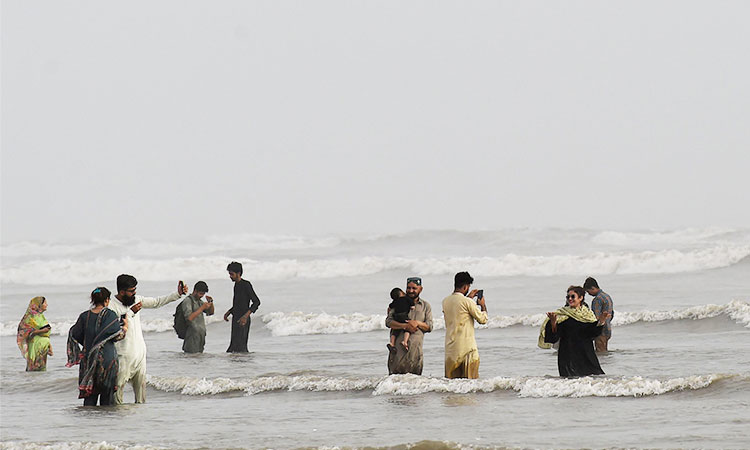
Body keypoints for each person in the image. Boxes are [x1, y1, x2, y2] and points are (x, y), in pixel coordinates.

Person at [108, 274, 187, 404]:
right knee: (117, 395)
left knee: (141, 396)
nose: (134, 293)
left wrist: (177, 294)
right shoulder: (111, 306)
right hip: (122, 357)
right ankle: (117, 422)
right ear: (122, 292)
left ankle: (141, 422)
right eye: (131, 291)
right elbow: (115, 326)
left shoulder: (137, 300)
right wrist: (131, 312)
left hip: (139, 355)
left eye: (135, 290)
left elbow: (157, 302)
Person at [66, 287, 128, 406]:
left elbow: (75, 334)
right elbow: (116, 336)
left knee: (90, 397)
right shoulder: (110, 315)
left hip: (89, 360)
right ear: (106, 300)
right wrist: (125, 328)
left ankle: (89, 424)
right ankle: (104, 424)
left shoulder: (84, 316)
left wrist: (90, 344)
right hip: (107, 360)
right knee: (107, 398)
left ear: (93, 300)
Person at [538, 285, 610, 377]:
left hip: (586, 355)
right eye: (568, 297)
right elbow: (553, 338)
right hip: (568, 358)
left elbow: (593, 334)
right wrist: (553, 323)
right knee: (570, 383)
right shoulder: (561, 315)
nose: (570, 299)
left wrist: (602, 321)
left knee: (594, 381)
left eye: (573, 296)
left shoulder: (588, 315)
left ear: (581, 298)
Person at [442, 272, 488, 379]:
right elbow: (482, 319)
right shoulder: (467, 302)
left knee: (452, 385)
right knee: (470, 383)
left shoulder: (445, 301)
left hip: (451, 350)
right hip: (467, 349)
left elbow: (459, 308)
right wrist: (482, 305)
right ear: (465, 286)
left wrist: (468, 298)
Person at [385, 276, 433, 375]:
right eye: (408, 288)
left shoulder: (425, 306)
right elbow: (388, 322)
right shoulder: (398, 302)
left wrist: (417, 323)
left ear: (421, 289)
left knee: (415, 387)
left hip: (415, 355)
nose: (411, 291)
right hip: (398, 355)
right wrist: (404, 326)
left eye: (414, 288)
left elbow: (429, 326)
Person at [223, 262, 261, 353]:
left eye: (231, 274)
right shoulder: (236, 285)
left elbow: (256, 302)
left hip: (243, 320)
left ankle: (244, 366)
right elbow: (239, 303)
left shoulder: (246, 285)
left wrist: (245, 316)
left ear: (238, 273)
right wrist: (229, 312)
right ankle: (238, 367)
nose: (230, 276)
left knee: (241, 348)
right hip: (236, 318)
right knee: (233, 347)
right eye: (229, 274)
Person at [176, 281, 215, 353]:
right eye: (200, 293)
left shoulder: (199, 301)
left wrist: (211, 302)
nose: (201, 296)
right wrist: (202, 308)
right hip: (191, 337)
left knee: (199, 360)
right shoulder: (188, 301)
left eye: (203, 294)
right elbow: (189, 318)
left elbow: (211, 312)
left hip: (200, 337)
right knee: (191, 359)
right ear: (195, 291)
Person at [17, 296, 53, 371]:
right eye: (45, 303)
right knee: (35, 368)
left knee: (40, 369)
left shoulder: (40, 316)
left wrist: (49, 346)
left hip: (42, 346)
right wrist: (40, 331)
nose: (47, 305)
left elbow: (46, 332)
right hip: (35, 345)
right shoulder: (32, 317)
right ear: (39, 305)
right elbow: (27, 332)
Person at [584, 277, 614, 352]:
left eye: (588, 291)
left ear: (593, 288)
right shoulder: (607, 296)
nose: (589, 294)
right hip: (608, 328)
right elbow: (612, 313)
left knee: (600, 354)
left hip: (601, 330)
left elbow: (596, 317)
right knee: (604, 352)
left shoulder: (597, 299)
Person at [387, 287, 413, 352]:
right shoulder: (406, 298)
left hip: (396, 317)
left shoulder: (395, 301)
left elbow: (390, 306)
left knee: (395, 331)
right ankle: (405, 341)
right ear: (401, 292)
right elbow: (411, 303)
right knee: (408, 328)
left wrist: (389, 309)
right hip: (404, 315)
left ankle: (392, 343)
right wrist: (412, 306)